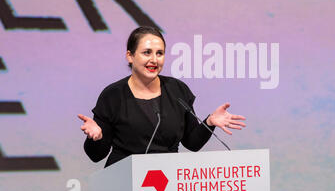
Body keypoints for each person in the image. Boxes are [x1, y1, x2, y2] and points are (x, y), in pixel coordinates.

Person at [78, 26, 246, 167]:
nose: (154, 60)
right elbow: (96, 156)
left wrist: (209, 122)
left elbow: (192, 143)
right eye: (146, 53)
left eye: (160, 53)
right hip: (125, 184)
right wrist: (96, 137)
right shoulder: (113, 96)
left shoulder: (177, 90)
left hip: (169, 181)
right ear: (130, 56)